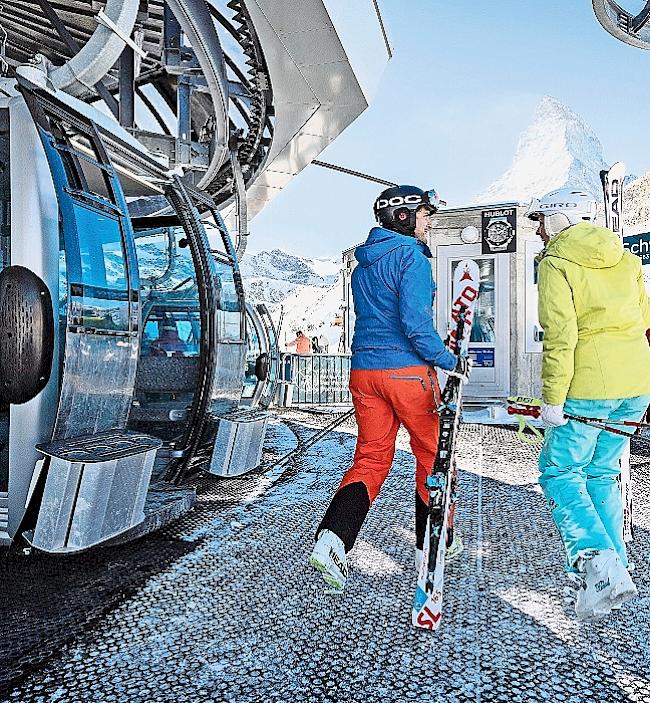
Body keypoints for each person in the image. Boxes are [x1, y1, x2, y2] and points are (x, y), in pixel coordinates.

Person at [308, 184, 471, 591]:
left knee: (370, 459)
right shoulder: (411, 258)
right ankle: (432, 542)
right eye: (425, 213)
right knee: (433, 457)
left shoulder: (363, 264)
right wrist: (452, 361)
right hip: (407, 374)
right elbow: (415, 325)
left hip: (364, 373)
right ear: (404, 216)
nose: (429, 221)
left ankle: (333, 540)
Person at [527, 187, 650, 621]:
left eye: (541, 220)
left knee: (560, 470)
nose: (539, 230)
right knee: (601, 472)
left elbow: (560, 337)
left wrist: (552, 401)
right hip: (636, 383)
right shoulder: (628, 260)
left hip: (589, 386)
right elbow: (646, 319)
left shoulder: (556, 263)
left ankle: (596, 563)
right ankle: (615, 568)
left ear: (560, 220)